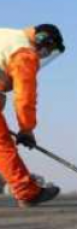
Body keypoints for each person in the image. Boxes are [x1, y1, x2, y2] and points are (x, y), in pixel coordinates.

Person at [0, 24, 65, 208]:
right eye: (47, 51)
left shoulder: (8, 36)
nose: (42, 57)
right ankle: (27, 192)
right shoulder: (24, 54)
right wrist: (26, 129)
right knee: (2, 145)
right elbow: (24, 97)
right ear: (41, 39)